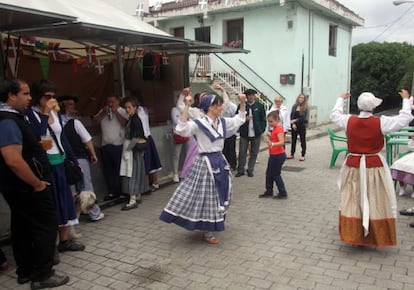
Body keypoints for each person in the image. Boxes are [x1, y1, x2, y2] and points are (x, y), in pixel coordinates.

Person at [0, 79, 69, 288]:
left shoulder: (13, 118)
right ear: (11, 96)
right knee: (46, 225)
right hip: (27, 187)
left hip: (17, 187)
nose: (29, 98)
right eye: (25, 93)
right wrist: (37, 183)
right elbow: (12, 158)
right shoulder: (8, 120)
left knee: (22, 227)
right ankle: (42, 274)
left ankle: (26, 270)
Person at [160, 92, 246, 244]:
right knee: (208, 197)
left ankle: (211, 225)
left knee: (222, 194)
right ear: (209, 107)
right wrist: (186, 106)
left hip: (219, 161)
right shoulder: (199, 124)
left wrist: (243, 103)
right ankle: (208, 231)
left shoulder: (222, 122)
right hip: (205, 162)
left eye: (220, 104)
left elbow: (239, 119)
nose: (220, 107)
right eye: (217, 105)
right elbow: (181, 129)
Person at [330, 90, 413, 247]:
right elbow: (405, 118)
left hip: (353, 166)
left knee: (353, 198)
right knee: (375, 198)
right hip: (374, 167)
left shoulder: (349, 120)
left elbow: (334, 115)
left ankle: (354, 234)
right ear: (373, 108)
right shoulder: (381, 122)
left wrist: (340, 99)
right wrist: (406, 100)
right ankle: (374, 235)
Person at [25, 79, 85, 253]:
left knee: (65, 200)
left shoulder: (56, 113)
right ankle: (50, 246)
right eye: (46, 96)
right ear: (37, 97)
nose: (50, 99)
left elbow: (62, 138)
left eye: (53, 96)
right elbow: (37, 135)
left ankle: (65, 241)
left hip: (61, 160)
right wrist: (45, 112)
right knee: (51, 205)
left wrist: (74, 160)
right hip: (45, 164)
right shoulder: (31, 114)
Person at [59, 95, 104, 221]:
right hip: (78, 158)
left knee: (71, 189)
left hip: (63, 160)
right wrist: (93, 154)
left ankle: (73, 217)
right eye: (71, 104)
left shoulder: (55, 123)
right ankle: (94, 213)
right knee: (86, 186)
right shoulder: (75, 122)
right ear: (67, 106)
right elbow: (87, 139)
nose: (74, 107)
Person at [92, 94, 128, 201]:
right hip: (105, 145)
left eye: (113, 102)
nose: (110, 104)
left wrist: (116, 112)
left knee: (119, 170)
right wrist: (104, 112)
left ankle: (123, 192)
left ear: (118, 102)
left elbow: (125, 122)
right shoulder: (103, 111)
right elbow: (95, 121)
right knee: (108, 170)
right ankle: (112, 191)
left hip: (118, 144)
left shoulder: (122, 111)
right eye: (109, 102)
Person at [120, 97, 148, 210]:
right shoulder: (132, 119)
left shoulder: (135, 120)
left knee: (132, 173)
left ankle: (132, 199)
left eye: (129, 107)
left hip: (133, 150)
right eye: (126, 107)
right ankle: (137, 195)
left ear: (135, 108)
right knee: (137, 172)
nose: (127, 110)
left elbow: (135, 138)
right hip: (134, 150)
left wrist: (128, 150)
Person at [235, 89, 266, 177]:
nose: (250, 97)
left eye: (252, 95)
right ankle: (240, 169)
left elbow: (263, 119)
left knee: (254, 152)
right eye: (249, 95)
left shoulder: (260, 106)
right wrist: (245, 119)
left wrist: (261, 129)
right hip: (245, 133)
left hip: (256, 133)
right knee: (242, 152)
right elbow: (236, 117)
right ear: (246, 97)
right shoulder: (242, 106)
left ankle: (250, 169)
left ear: (254, 96)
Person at [258, 110, 288, 199]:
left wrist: (273, 144)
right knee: (269, 173)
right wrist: (270, 136)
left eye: (271, 121)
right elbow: (274, 139)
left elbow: (282, 142)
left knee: (276, 174)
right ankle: (269, 190)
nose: (270, 123)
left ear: (277, 120)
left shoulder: (278, 129)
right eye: (269, 121)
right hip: (273, 154)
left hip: (278, 155)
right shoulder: (274, 129)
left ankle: (282, 192)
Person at [137, 97, 162, 192]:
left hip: (144, 138)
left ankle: (149, 184)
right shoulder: (143, 110)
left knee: (148, 161)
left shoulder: (142, 111)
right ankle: (152, 183)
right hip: (146, 137)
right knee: (149, 160)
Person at [218, 84, 238, 171]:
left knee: (231, 149)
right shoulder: (220, 107)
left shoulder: (233, 107)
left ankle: (233, 164)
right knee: (224, 150)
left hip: (231, 131)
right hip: (222, 131)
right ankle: (225, 164)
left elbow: (236, 118)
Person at [171, 97, 189, 183]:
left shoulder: (188, 108)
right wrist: (184, 120)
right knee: (176, 154)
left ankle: (186, 171)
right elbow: (176, 121)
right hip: (178, 134)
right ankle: (175, 174)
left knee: (188, 153)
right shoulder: (174, 110)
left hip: (187, 133)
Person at [287, 93, 308, 161]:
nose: (301, 99)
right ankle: (292, 154)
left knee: (302, 140)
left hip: (301, 125)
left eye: (302, 98)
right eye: (300, 97)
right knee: (293, 140)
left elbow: (303, 118)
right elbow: (292, 115)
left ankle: (303, 155)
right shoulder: (294, 106)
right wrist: (293, 124)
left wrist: (295, 120)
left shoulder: (305, 107)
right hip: (294, 125)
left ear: (304, 99)